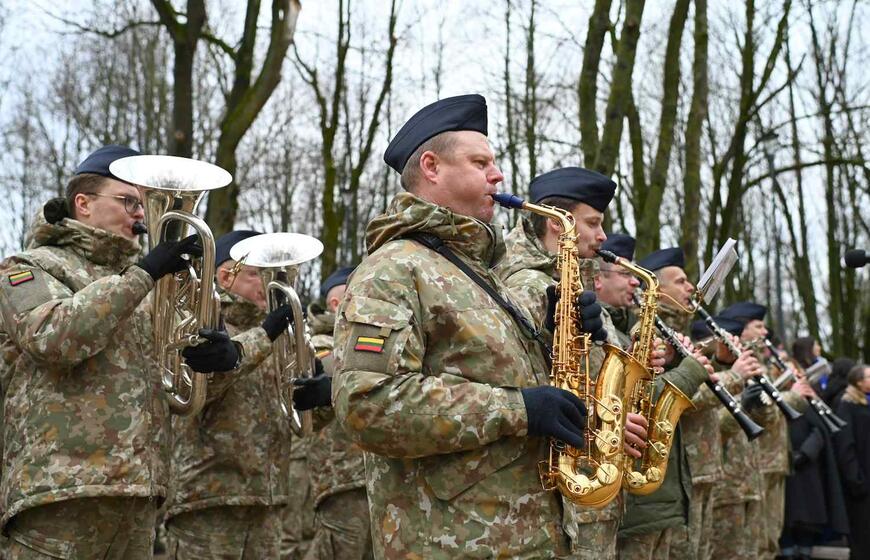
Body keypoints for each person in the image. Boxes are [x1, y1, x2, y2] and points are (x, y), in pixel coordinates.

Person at [331, 94, 604, 558]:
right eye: (481, 163)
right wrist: (519, 409)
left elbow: (500, 374)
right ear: (432, 167)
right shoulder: (393, 269)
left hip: (527, 538)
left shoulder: (478, 272)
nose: (497, 176)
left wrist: (557, 331)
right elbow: (367, 404)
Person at [0, 146, 239, 559]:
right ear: (84, 203)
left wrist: (220, 362)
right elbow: (53, 337)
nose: (141, 214)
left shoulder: (150, 286)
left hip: (139, 494)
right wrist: (144, 274)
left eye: (143, 204)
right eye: (130, 201)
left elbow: (179, 393)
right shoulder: (28, 267)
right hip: (59, 493)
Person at [165, 230, 301, 559]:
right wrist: (264, 336)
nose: (269, 285)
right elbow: (197, 390)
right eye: (258, 274)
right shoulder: (199, 319)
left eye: (274, 275)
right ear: (226, 276)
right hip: (207, 499)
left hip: (267, 501)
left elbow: (296, 419)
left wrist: (319, 400)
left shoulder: (280, 336)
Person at [616, 247, 717, 560]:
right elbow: (641, 397)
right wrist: (696, 372)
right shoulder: (638, 327)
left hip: (669, 482)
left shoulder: (670, 330)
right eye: (681, 281)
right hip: (643, 487)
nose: (690, 288)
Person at [718, 301, 809, 560]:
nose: (765, 332)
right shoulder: (733, 365)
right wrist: (792, 396)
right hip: (746, 466)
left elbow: (766, 411)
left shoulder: (759, 364)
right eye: (758, 326)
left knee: (768, 537)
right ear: (741, 329)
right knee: (749, 543)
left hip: (765, 460)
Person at [300, 266, 373, 560]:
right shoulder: (318, 343)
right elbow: (331, 369)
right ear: (335, 303)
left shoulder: (364, 336)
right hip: (341, 475)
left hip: (373, 471)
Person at [835, 363, 870, 560]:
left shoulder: (864, 403)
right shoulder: (847, 405)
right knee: (862, 535)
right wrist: (856, 479)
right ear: (859, 382)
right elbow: (845, 445)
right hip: (860, 482)